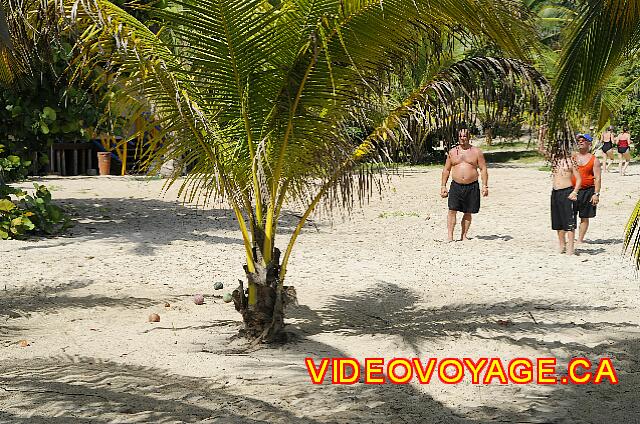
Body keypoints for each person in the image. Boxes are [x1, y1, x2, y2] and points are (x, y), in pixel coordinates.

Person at [440, 128, 489, 241]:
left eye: (465, 136)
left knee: (468, 211)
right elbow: (446, 170)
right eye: (460, 136)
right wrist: (443, 186)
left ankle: (464, 236)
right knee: (452, 210)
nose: (463, 139)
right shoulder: (452, 152)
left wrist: (485, 186)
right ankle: (450, 236)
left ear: (469, 137)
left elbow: (483, 169)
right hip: (456, 185)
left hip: (472, 185)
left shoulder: (476, 152)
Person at [538, 137, 581, 254]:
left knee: (569, 221)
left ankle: (571, 247)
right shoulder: (554, 160)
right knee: (558, 221)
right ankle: (562, 245)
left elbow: (579, 179)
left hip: (567, 191)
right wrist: (542, 133)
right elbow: (541, 149)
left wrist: (575, 192)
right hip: (555, 192)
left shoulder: (571, 161)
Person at [572, 134, 602, 243]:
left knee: (584, 217)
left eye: (583, 140)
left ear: (589, 143)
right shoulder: (572, 157)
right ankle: (571, 238)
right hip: (572, 191)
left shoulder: (594, 160)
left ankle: (580, 240)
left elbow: (598, 178)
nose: (580, 142)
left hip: (588, 191)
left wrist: (596, 194)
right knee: (570, 215)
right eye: (579, 140)